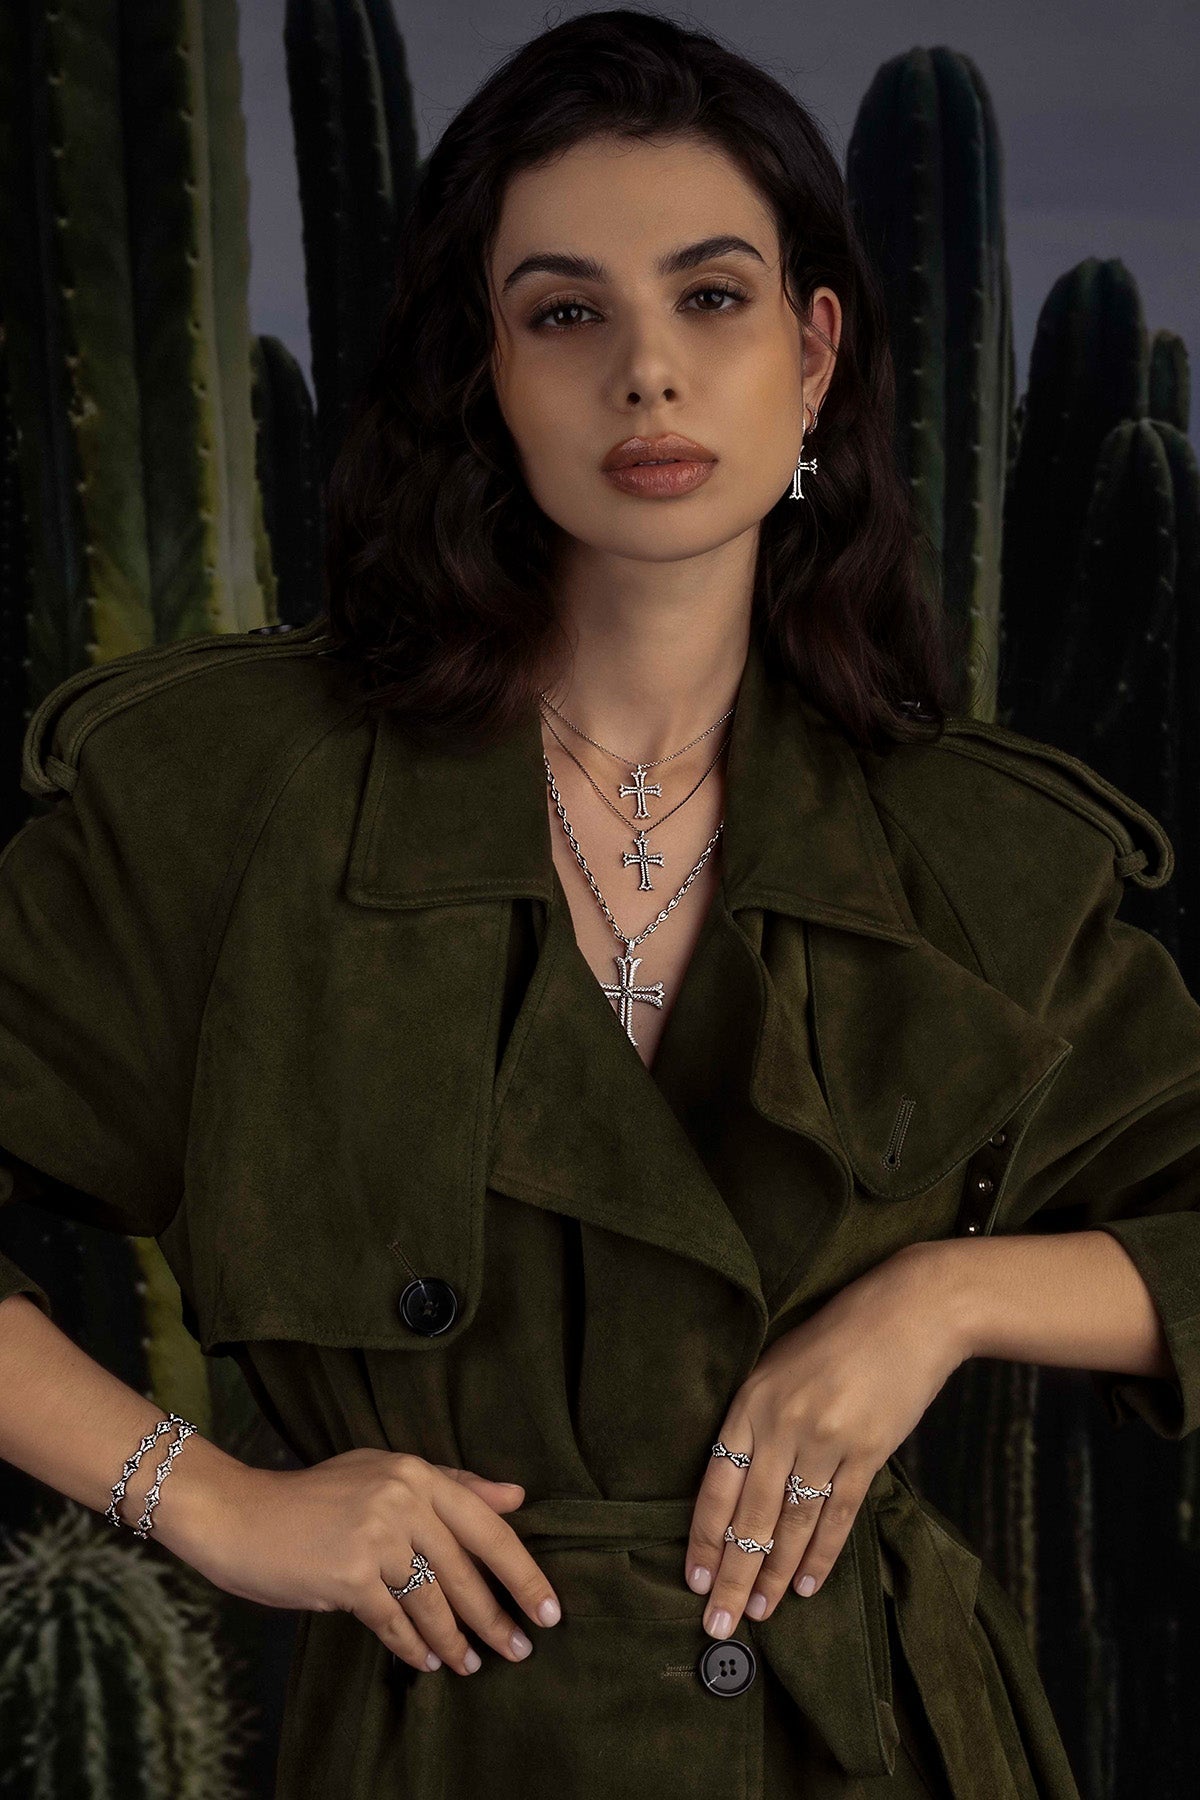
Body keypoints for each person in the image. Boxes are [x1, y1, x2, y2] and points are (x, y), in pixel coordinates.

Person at [0, 10, 1196, 1797]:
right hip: (440, 1741)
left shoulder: (982, 858)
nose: (646, 372)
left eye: (710, 298)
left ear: (812, 358)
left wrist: (937, 1300)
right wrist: (216, 1502)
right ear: (486, 370)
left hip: (875, 1749)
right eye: (568, 312)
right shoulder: (229, 802)